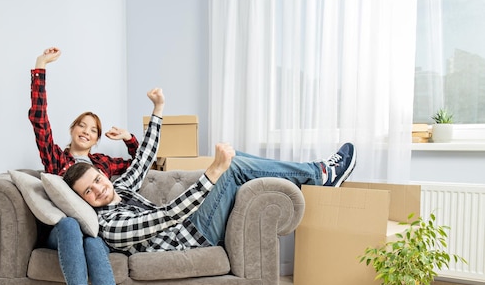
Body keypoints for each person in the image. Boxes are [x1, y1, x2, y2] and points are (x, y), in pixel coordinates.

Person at [63, 88, 357, 254]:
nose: (100, 188)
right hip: (190, 238)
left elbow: (144, 158)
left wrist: (159, 108)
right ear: (84, 200)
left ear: (103, 174)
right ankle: (319, 175)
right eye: (89, 191)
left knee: (235, 158)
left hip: (189, 223)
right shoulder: (111, 225)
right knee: (232, 166)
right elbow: (168, 216)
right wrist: (213, 172)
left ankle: (314, 175)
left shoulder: (121, 187)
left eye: (98, 179)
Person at [29, 47, 141, 285]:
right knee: (69, 223)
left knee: (92, 240)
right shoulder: (55, 159)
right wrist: (40, 67)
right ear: (73, 129)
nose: (87, 131)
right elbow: (39, 122)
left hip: (97, 231)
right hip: (61, 233)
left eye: (94, 130)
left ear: (96, 140)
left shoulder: (103, 165)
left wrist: (129, 139)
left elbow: (140, 162)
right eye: (83, 125)